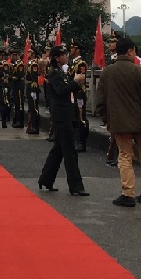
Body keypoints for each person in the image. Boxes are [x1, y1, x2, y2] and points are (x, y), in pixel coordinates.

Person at [96, 37, 141, 207]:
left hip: (119, 122)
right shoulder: (140, 72)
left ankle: (128, 193)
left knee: (125, 156)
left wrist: (107, 118)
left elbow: (100, 101)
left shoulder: (108, 72)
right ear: (131, 51)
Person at [38, 45, 89, 196]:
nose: (66, 57)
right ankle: (76, 186)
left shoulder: (60, 72)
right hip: (61, 116)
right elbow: (61, 91)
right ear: (57, 58)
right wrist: (76, 82)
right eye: (63, 55)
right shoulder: (54, 73)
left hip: (66, 114)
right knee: (70, 152)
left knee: (58, 150)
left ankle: (46, 179)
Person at [68, 39, 88, 152]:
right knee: (75, 117)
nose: (70, 50)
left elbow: (80, 79)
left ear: (77, 50)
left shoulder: (81, 64)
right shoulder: (73, 63)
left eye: (72, 48)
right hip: (73, 93)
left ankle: (81, 142)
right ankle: (76, 140)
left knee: (81, 118)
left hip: (79, 93)